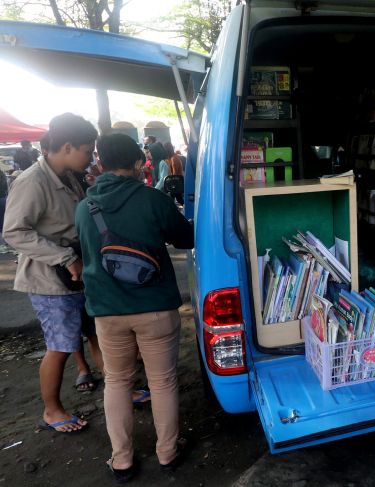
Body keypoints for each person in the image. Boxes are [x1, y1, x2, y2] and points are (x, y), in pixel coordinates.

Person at [75, 133, 194, 482]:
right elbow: (185, 238)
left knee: (116, 381)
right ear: (138, 161)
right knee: (162, 381)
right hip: (155, 307)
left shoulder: (85, 207)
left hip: (107, 310)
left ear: (100, 162)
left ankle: (123, 459)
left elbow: (87, 253)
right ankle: (168, 452)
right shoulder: (153, 200)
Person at [2, 113, 102, 433]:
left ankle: (121, 388)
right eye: (87, 150)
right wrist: (62, 256)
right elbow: (14, 232)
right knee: (60, 345)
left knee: (97, 333)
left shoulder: (70, 175)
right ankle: (52, 410)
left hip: (80, 273)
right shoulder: (32, 181)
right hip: (51, 282)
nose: (90, 156)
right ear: (68, 146)